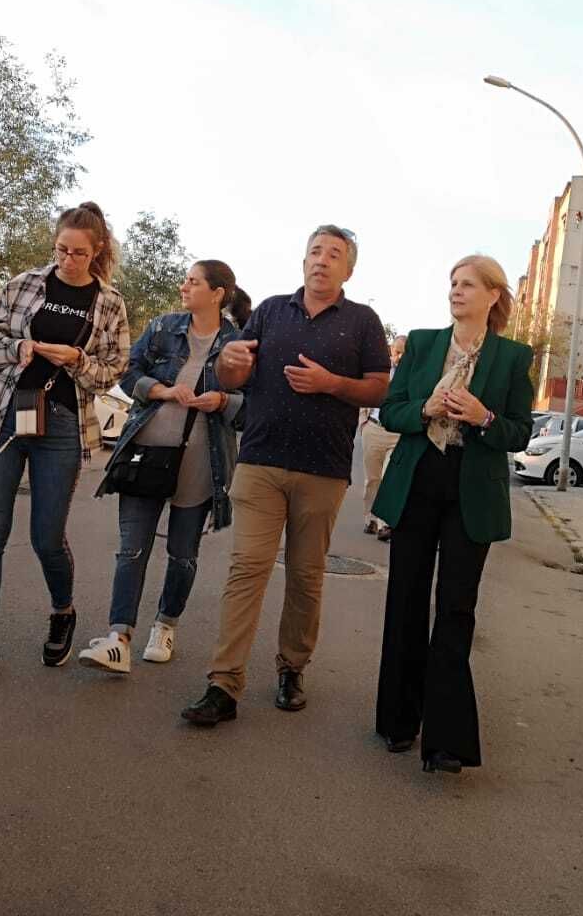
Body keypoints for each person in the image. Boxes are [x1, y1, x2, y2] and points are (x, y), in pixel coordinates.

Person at [179, 225, 390, 726]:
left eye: (333, 254)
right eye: (315, 251)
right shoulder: (271, 310)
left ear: (348, 269)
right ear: (303, 261)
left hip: (323, 469)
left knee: (305, 575)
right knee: (246, 568)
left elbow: (380, 389)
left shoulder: (363, 321)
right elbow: (236, 375)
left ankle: (291, 668)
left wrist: (331, 383)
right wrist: (230, 363)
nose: (321, 260)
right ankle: (223, 683)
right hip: (260, 461)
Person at [0, 203, 130, 684]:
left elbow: (114, 369)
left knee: (47, 536)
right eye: (61, 249)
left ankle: (62, 611)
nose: (68, 259)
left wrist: (78, 360)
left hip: (62, 422)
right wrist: (17, 349)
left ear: (98, 251)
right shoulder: (26, 284)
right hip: (8, 412)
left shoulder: (109, 303)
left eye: (79, 253)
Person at [370, 256, 533, 774]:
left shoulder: (511, 357)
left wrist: (484, 416)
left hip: (472, 490)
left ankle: (445, 740)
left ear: (492, 296)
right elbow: (390, 410)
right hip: (419, 481)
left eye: (468, 285)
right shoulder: (421, 343)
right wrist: (425, 409)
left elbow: (521, 432)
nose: (457, 292)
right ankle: (398, 721)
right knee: (406, 599)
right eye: (453, 284)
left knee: (456, 610)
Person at [77, 261, 252, 673]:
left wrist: (224, 402)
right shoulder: (163, 327)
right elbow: (127, 372)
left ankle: (165, 624)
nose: (184, 286)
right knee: (131, 549)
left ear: (218, 293)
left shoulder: (238, 343)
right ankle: (119, 638)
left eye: (193, 281)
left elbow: (254, 407)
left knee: (182, 554)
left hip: (200, 466)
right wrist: (160, 390)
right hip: (146, 456)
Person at [360, 334, 407, 540]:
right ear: (391, 350)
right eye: (396, 352)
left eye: (403, 354)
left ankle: (384, 524)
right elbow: (363, 391)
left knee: (390, 478)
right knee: (373, 479)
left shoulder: (412, 376)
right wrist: (363, 422)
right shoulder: (380, 371)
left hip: (397, 433)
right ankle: (369, 518)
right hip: (374, 429)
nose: (398, 357)